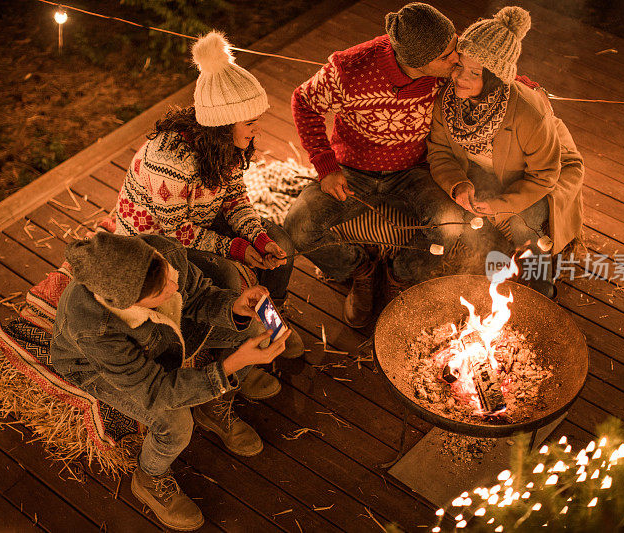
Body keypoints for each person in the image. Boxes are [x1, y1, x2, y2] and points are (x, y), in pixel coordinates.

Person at [50, 232, 290, 531]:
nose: (175, 286)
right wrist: (229, 367)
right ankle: (149, 477)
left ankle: (212, 409)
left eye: (167, 273)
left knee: (252, 327)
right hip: (93, 367)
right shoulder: (93, 327)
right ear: (131, 304)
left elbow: (197, 295)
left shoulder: (162, 251)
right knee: (176, 425)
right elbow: (156, 391)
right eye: (163, 290)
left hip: (164, 332)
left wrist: (234, 306)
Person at [114, 31, 303, 397]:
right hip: (156, 238)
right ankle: (239, 364)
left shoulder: (226, 145)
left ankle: (270, 322)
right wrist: (235, 249)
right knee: (226, 276)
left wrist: (258, 239)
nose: (257, 128)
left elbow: (234, 197)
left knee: (282, 242)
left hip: (199, 220)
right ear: (223, 123)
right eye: (250, 122)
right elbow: (172, 232)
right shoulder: (170, 161)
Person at [284, 2, 464, 328]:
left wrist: (520, 85)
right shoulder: (349, 70)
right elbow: (303, 101)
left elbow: (486, 74)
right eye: (447, 56)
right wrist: (326, 166)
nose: (457, 59)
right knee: (298, 227)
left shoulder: (450, 69)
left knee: (450, 226)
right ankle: (359, 271)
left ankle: (401, 276)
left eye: (456, 47)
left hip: (415, 171)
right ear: (417, 63)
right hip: (354, 170)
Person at [426, 6, 584, 298]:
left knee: (524, 222)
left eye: (475, 72)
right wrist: (459, 184)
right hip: (489, 171)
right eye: (459, 65)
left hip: (544, 175)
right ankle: (489, 273)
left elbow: (545, 174)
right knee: (463, 215)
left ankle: (541, 287)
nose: (460, 76)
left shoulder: (528, 114)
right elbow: (439, 153)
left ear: (496, 78)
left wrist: (502, 204)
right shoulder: (447, 101)